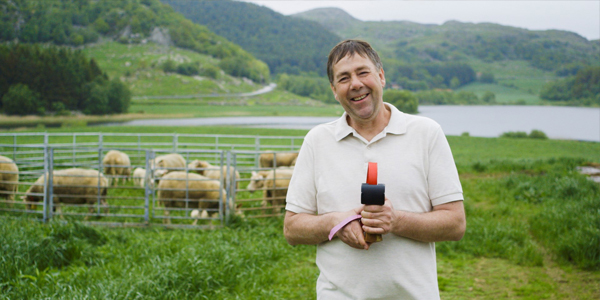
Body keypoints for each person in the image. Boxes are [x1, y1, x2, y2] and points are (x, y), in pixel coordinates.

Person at [283, 39, 466, 299]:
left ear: (381, 76)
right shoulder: (317, 141)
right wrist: (335, 223)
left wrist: (395, 220)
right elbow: (291, 229)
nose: (355, 83)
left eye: (363, 72)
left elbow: (455, 224)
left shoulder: (426, 133)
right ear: (334, 90)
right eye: (344, 78)